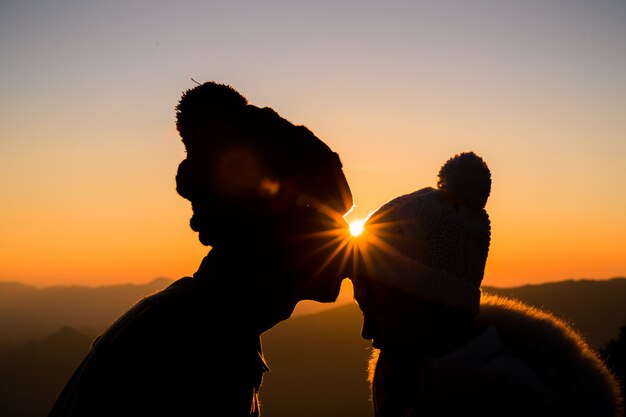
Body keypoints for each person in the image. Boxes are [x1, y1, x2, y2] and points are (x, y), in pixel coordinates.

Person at [48, 81, 354, 417]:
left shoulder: (198, 326)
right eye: (318, 244)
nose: (335, 279)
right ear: (271, 251)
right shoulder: (201, 353)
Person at [351, 151, 623, 417]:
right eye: (364, 309)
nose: (367, 331)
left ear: (436, 302)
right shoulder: (408, 379)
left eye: (379, 311)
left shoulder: (498, 403)